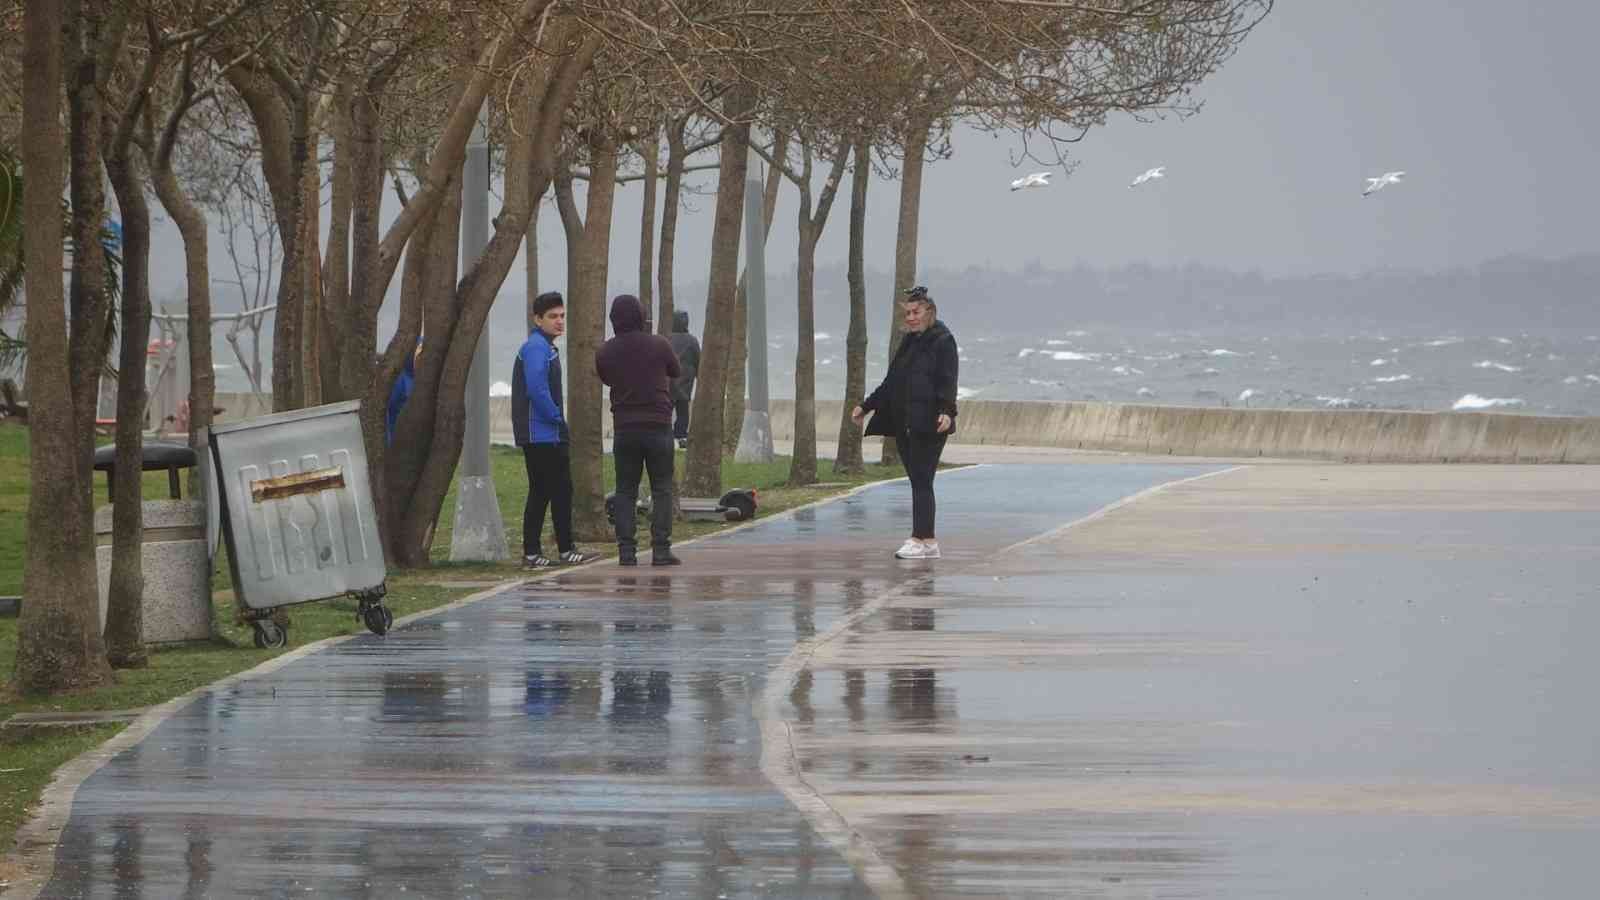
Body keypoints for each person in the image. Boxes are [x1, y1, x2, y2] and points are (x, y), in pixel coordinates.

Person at [852, 285, 958, 560]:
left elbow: (948, 379)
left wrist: (947, 411)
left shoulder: (943, 340)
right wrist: (866, 406)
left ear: (929, 312)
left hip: (931, 421)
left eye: (916, 312)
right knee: (918, 481)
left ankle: (919, 538)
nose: (910, 317)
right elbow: (892, 381)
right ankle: (928, 541)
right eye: (907, 313)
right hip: (905, 421)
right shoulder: (909, 341)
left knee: (922, 479)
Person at [596, 294, 682, 566]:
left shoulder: (605, 351)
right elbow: (676, 370)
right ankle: (660, 549)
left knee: (625, 490)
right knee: (662, 488)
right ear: (641, 316)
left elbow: (606, 378)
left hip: (625, 428)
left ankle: (627, 551)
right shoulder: (659, 344)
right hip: (658, 426)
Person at [512, 292, 593, 568]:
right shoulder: (536, 347)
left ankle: (557, 550)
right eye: (553, 317)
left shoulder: (546, 347)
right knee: (547, 491)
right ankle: (538, 553)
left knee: (557, 490)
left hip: (548, 433)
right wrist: (557, 417)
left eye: (562, 316)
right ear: (537, 319)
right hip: (540, 434)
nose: (560, 321)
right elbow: (536, 388)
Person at [667, 310, 700, 448]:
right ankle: (681, 436)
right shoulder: (692, 340)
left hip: (668, 381)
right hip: (685, 382)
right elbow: (698, 360)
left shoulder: (667, 339)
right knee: (682, 411)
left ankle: (666, 434)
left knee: (666, 410)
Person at [385, 337, 422, 446]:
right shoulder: (399, 380)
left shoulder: (420, 381)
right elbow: (386, 411)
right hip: (398, 442)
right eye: (419, 355)